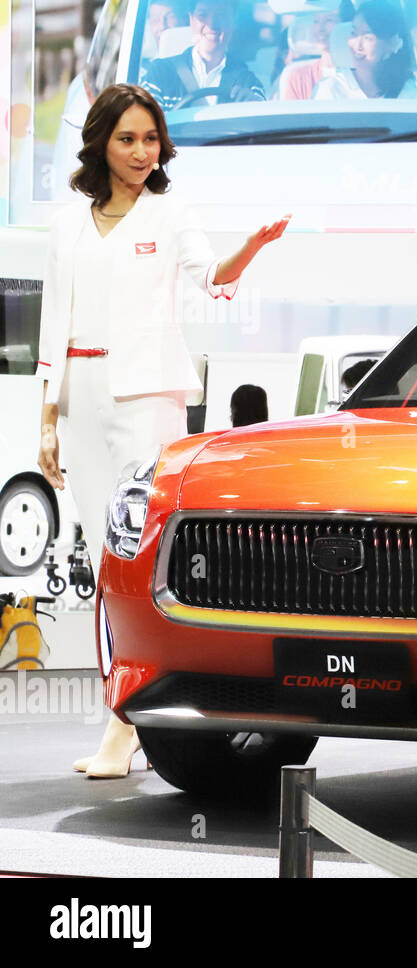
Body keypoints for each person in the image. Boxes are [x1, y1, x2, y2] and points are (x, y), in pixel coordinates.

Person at [36, 84, 289, 778]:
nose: (142, 151)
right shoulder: (66, 225)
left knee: (140, 557)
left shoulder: (171, 211)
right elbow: (53, 323)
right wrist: (47, 417)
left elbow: (212, 277)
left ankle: (129, 725)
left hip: (148, 396)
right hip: (81, 397)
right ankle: (122, 716)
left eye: (151, 138)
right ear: (100, 143)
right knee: (102, 560)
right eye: (127, 139)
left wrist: (250, 250)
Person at [142, 0, 266, 109]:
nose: (212, 24)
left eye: (221, 14)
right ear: (191, 20)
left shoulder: (248, 83)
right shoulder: (158, 75)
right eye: (203, 15)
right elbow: (147, 125)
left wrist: (254, 107)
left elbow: (263, 128)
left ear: (233, 22)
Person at [312, 0, 417, 100]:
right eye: (354, 33)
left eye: (368, 37)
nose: (357, 45)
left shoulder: (407, 91)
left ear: (391, 43)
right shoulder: (330, 89)